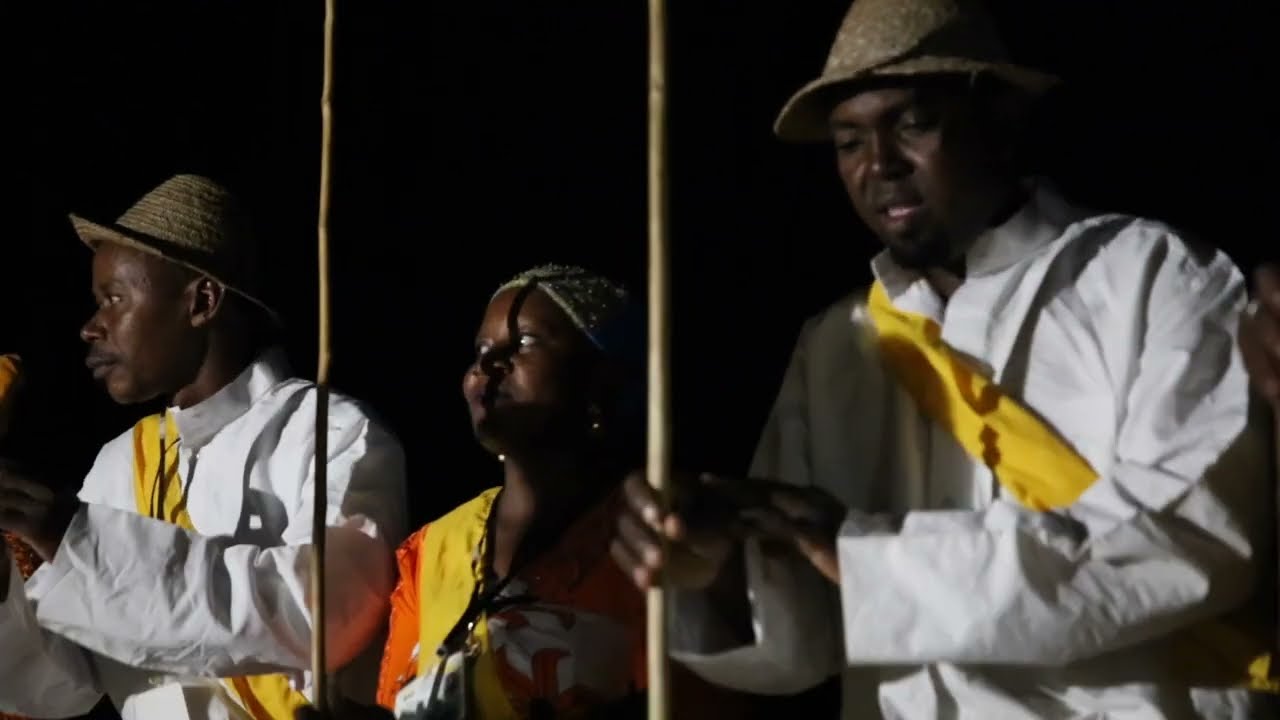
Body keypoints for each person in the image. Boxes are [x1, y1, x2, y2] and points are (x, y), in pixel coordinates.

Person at [610, 0, 1276, 717]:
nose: (879, 165)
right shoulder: (840, 341)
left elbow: (1186, 538)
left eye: (912, 122)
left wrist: (858, 549)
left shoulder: (1151, 275)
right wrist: (714, 571)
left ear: (1000, 119)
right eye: (848, 141)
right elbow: (806, 643)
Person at [0, 174, 408, 720]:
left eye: (113, 299)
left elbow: (326, 615)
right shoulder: (119, 464)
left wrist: (79, 542)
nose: (91, 328)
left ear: (202, 300)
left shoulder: (329, 431)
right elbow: (59, 689)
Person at [297, 264, 745, 720]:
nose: (487, 365)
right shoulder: (431, 551)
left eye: (525, 343)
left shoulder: (661, 533)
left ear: (600, 380)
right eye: (481, 349)